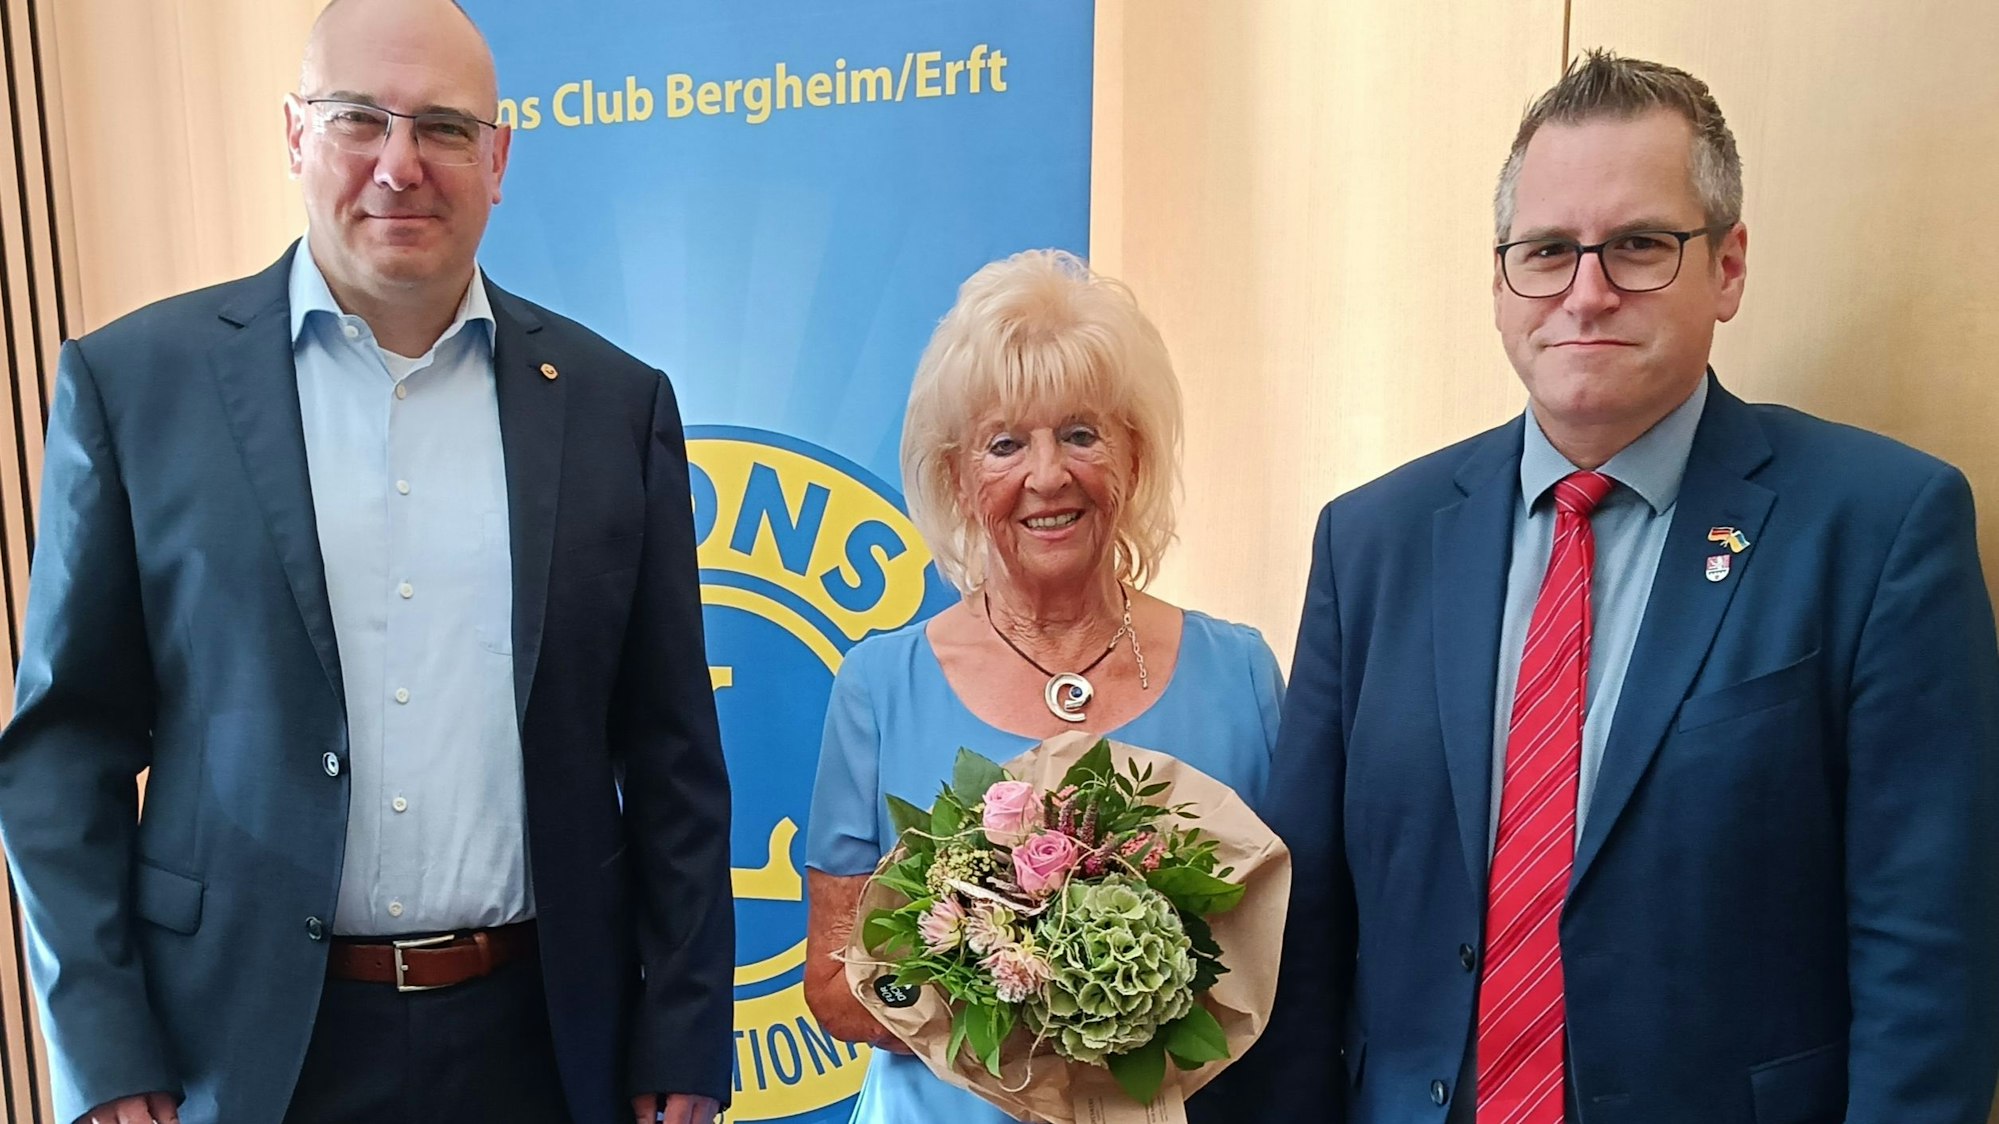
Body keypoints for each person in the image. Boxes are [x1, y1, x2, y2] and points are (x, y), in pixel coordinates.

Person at [0, 2, 733, 1122]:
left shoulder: (614, 407)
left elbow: (673, 754)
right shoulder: (135, 387)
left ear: (498, 159)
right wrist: (104, 1050)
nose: (400, 165)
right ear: (296, 135)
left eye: (442, 127)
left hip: (544, 1046)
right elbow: (63, 754)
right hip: (238, 1055)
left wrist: (682, 1032)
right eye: (358, 119)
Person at [1240, 50, 1999, 1123]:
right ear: (1499, 279)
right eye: (1547, 250)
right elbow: (1302, 930)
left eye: (1639, 245)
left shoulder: (1877, 528)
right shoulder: (1371, 542)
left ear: (1726, 267)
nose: (1585, 293)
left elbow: (1927, 959)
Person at [800, 249, 1284, 1124]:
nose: (1048, 475)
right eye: (1004, 444)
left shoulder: (1240, 674)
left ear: (1132, 453)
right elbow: (836, 985)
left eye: (1081, 434)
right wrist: (1033, 992)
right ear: (956, 477)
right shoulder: (878, 687)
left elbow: (1299, 950)